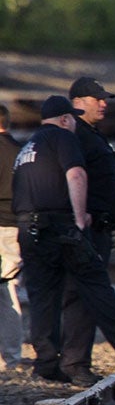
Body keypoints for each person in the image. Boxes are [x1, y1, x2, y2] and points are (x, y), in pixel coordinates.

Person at [15, 96, 115, 385]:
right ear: (64, 119)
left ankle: (46, 361)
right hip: (61, 226)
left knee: (43, 295)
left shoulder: (29, 147)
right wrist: (80, 216)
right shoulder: (63, 138)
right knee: (94, 282)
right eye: (72, 118)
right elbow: (76, 174)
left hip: (30, 229)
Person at [64, 77, 115, 367]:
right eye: (97, 99)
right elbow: (73, 177)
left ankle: (74, 362)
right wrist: (80, 215)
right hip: (88, 228)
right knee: (90, 291)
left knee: (82, 296)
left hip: (101, 225)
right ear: (77, 103)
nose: (104, 104)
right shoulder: (76, 135)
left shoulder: (92, 134)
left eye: (104, 99)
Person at [0, 124, 21, 367]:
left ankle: (10, 355)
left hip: (2, 226)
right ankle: (11, 353)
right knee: (9, 287)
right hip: (16, 224)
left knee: (6, 291)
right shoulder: (20, 150)